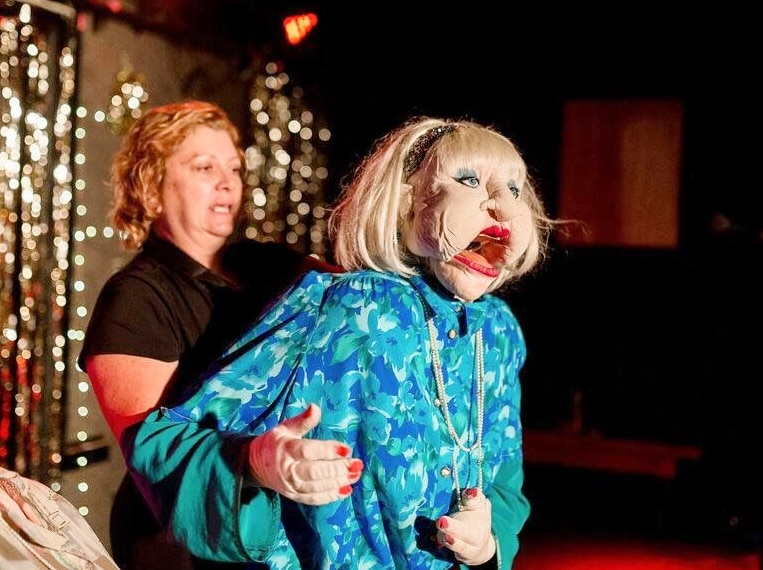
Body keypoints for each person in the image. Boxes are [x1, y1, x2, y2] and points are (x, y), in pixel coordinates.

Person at [127, 116, 555, 569]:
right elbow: (162, 445)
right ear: (405, 201)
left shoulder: (499, 331)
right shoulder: (349, 306)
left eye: (514, 188)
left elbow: (505, 481)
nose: (503, 207)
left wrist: (487, 544)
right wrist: (254, 461)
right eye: (469, 180)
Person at [78, 100, 362, 570]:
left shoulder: (263, 263)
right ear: (152, 188)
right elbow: (157, 460)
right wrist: (254, 460)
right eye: (204, 167)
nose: (228, 181)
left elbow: (359, 294)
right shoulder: (133, 297)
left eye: (233, 167)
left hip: (286, 529)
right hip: (185, 544)